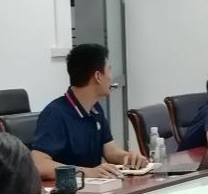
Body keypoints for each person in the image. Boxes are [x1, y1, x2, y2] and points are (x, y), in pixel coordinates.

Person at [30, 43, 145, 179]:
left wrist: (128, 157)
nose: (111, 77)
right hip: (68, 190)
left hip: (95, 187)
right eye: (109, 70)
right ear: (98, 76)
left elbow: (110, 150)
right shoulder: (55, 114)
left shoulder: (95, 109)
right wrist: (86, 172)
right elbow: (39, 164)